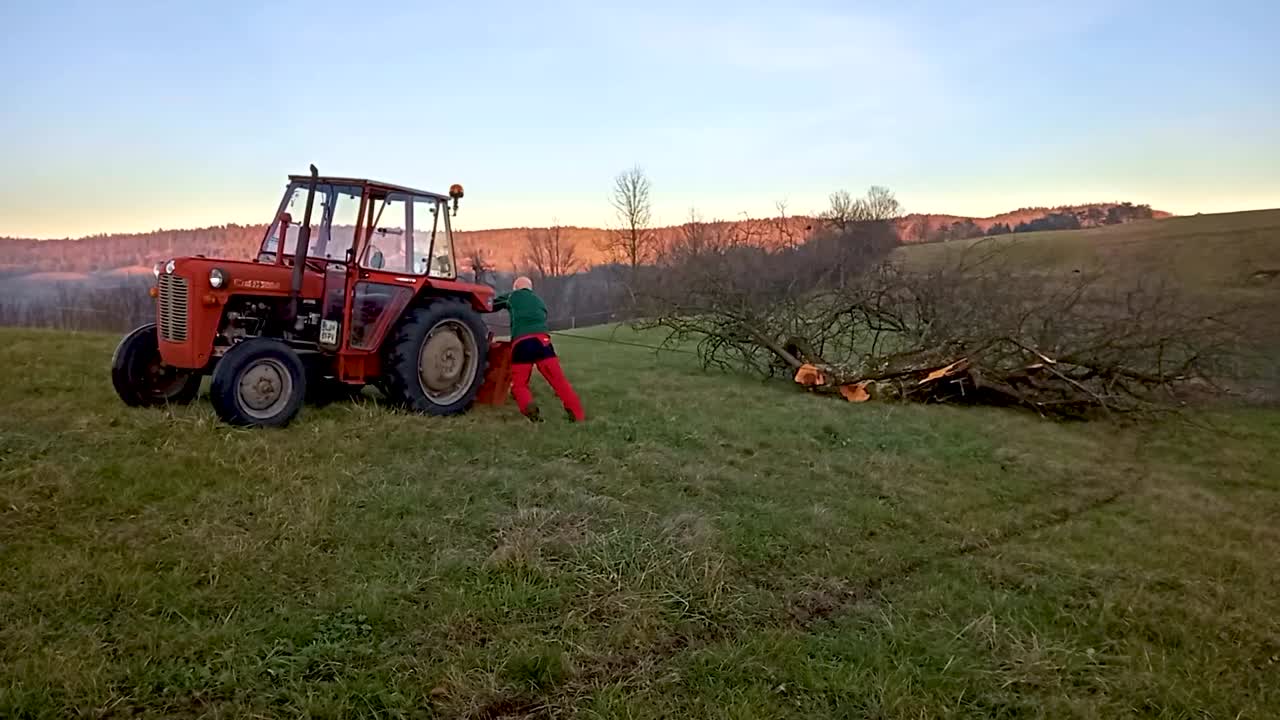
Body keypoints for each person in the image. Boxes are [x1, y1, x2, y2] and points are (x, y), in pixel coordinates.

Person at [492, 276, 585, 422]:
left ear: (516, 287)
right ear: (531, 288)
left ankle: (530, 410)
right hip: (543, 343)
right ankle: (577, 414)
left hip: (521, 344)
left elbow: (491, 305)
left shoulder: (512, 296)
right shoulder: (539, 301)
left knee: (519, 385)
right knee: (559, 381)